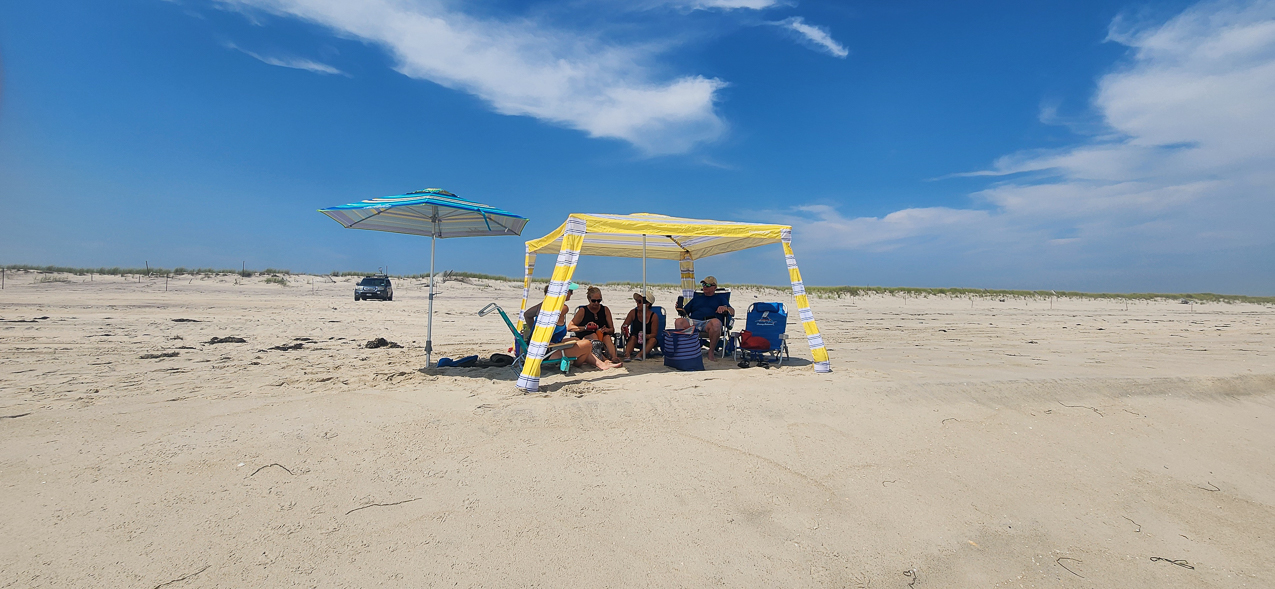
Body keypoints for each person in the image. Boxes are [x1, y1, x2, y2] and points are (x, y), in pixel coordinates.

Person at [522, 283, 621, 370]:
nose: (572, 294)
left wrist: (535, 334)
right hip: (546, 352)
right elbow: (547, 320)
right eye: (571, 291)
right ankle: (598, 364)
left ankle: (602, 363)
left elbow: (527, 315)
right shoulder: (563, 308)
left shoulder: (543, 305)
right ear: (564, 292)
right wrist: (546, 340)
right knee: (587, 344)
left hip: (534, 347)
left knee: (576, 339)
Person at [675, 275, 734, 360]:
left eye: (708, 285)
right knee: (679, 321)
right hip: (694, 321)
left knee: (716, 323)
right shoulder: (697, 298)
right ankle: (684, 350)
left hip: (708, 323)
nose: (705, 287)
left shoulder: (720, 298)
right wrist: (679, 309)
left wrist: (725, 308)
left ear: (715, 287)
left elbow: (732, 311)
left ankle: (711, 351)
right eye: (704, 285)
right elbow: (685, 312)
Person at [569, 286, 619, 362]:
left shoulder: (605, 310)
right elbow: (570, 327)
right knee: (593, 335)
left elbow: (612, 330)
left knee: (607, 337)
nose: (596, 303)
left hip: (602, 335)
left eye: (599, 301)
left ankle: (614, 357)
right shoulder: (583, 311)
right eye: (594, 301)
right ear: (589, 300)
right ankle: (603, 359)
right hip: (586, 336)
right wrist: (586, 328)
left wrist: (607, 330)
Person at [620, 292, 658, 361]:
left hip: (647, 339)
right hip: (635, 338)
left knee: (653, 340)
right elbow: (624, 325)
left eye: (640, 302)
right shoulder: (633, 312)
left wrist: (646, 336)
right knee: (633, 337)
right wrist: (624, 329)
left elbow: (654, 334)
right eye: (637, 301)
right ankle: (627, 354)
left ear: (647, 304)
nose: (637, 303)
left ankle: (640, 355)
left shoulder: (653, 316)